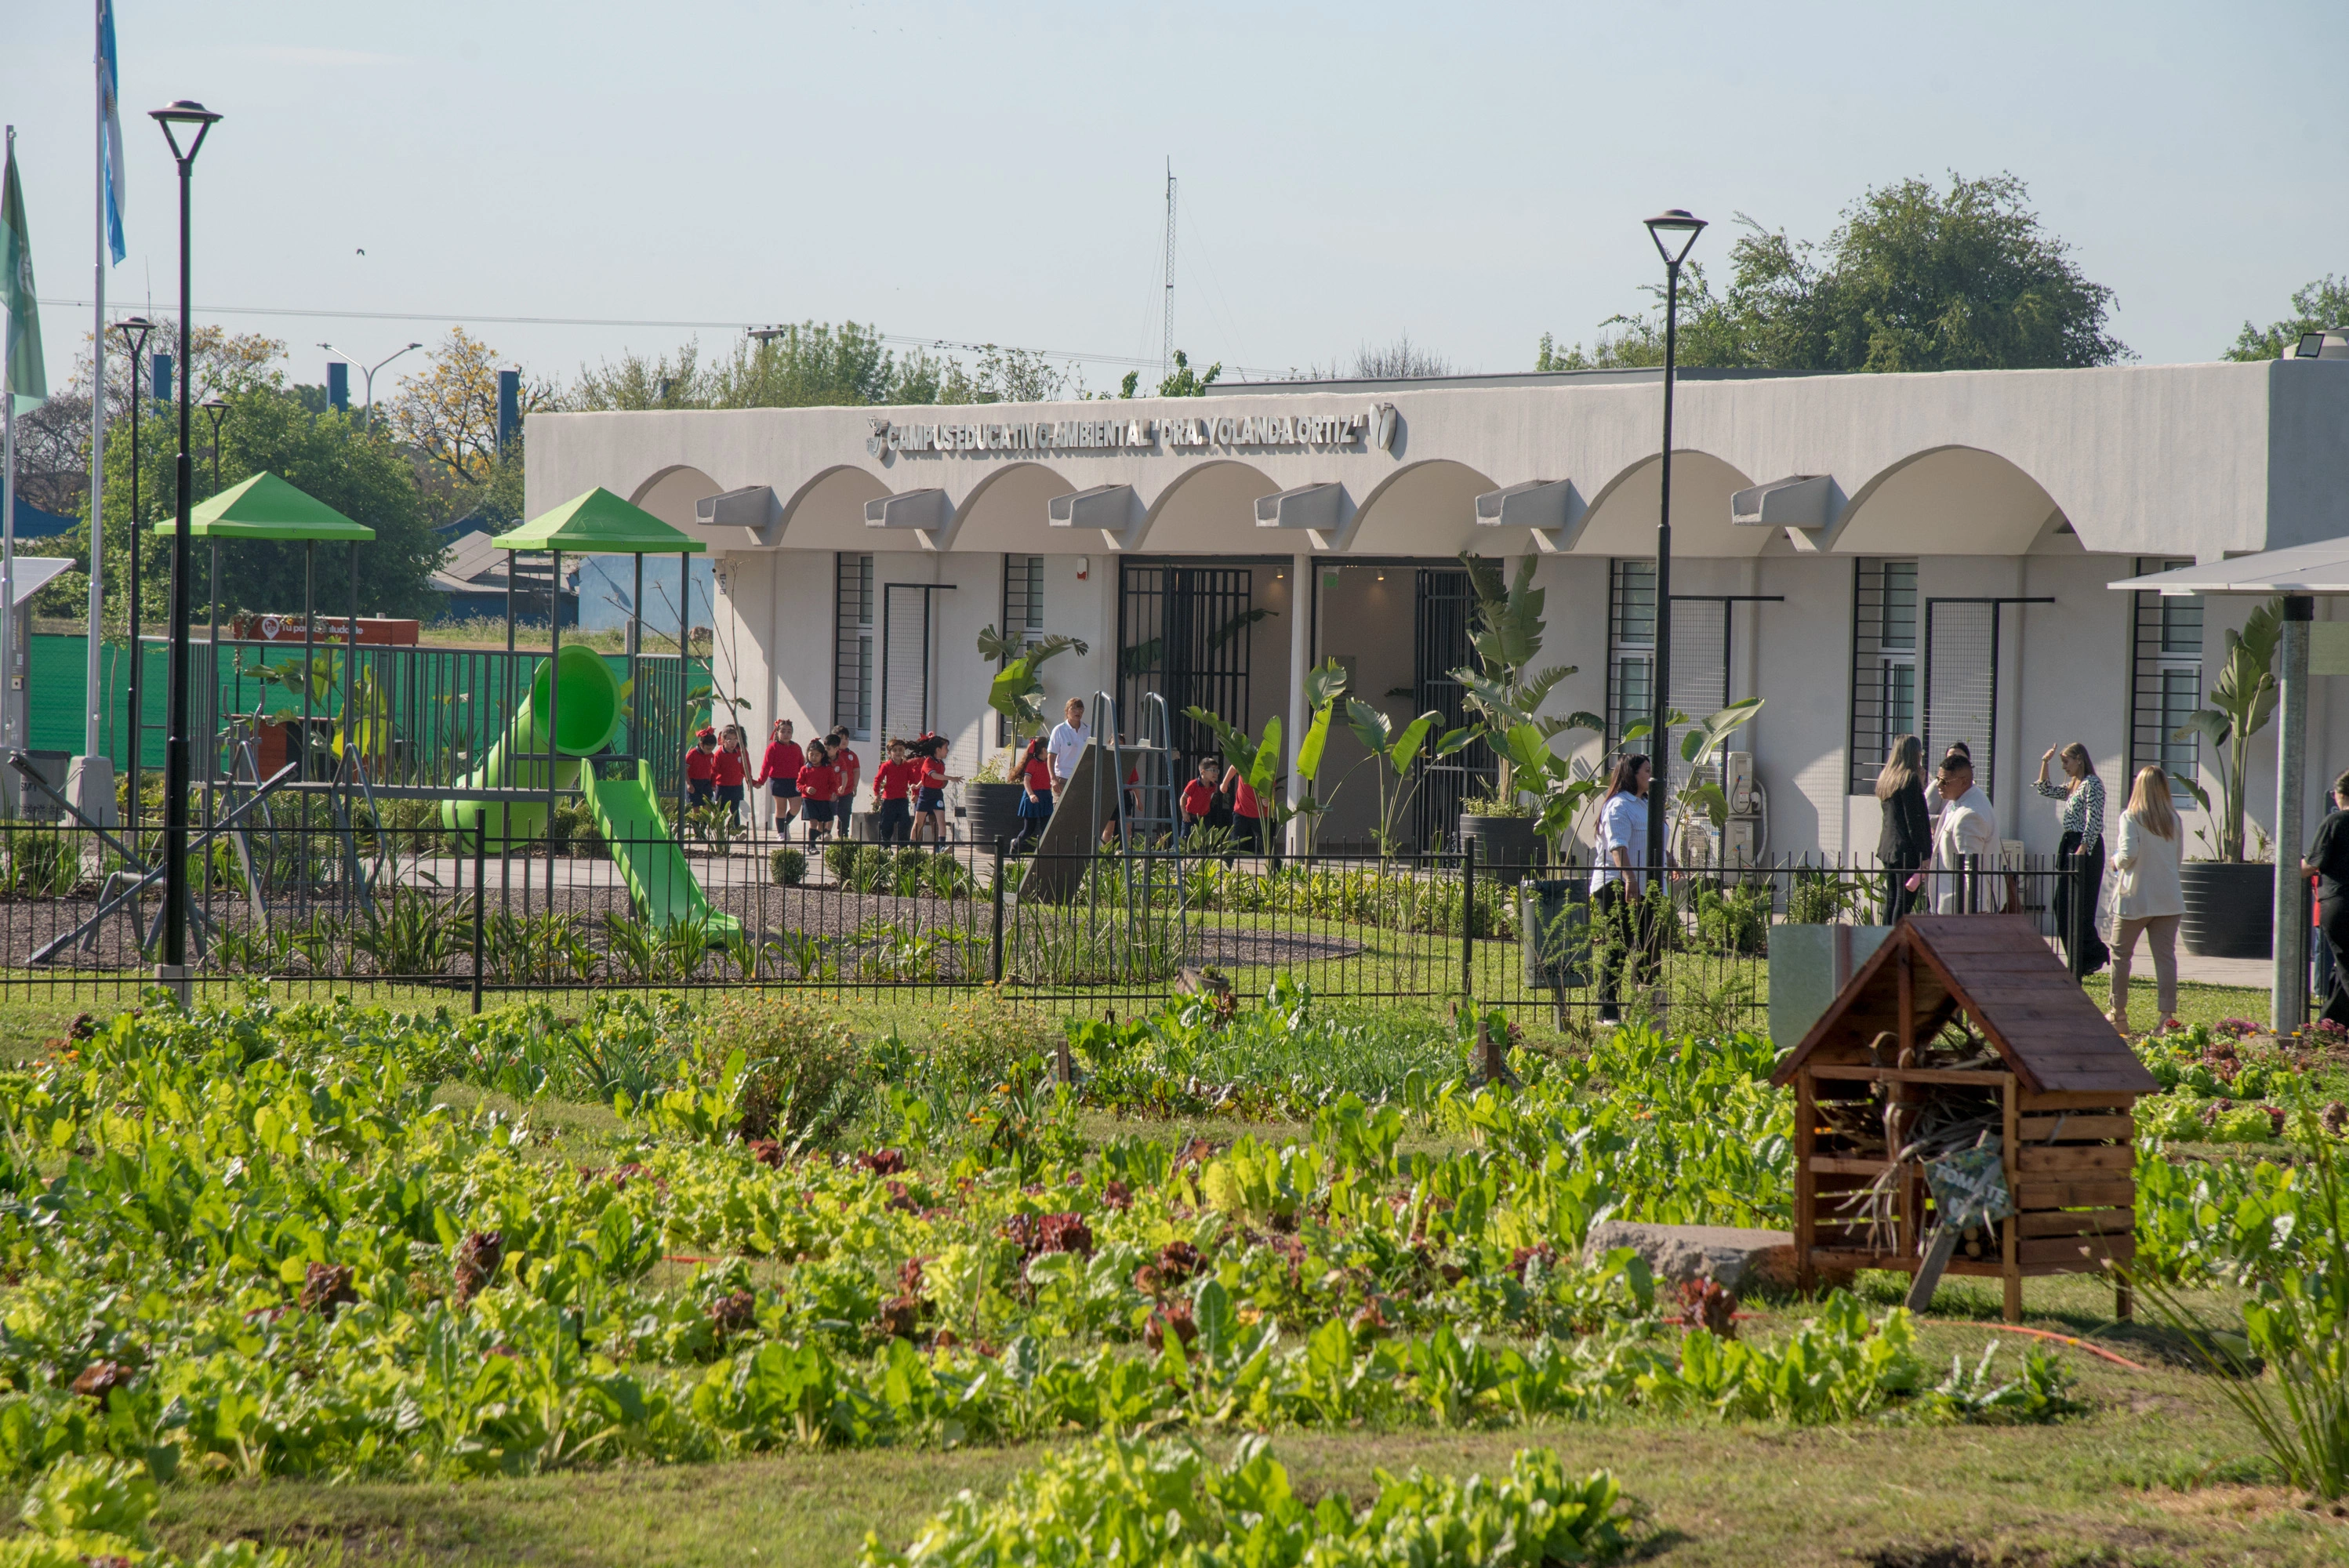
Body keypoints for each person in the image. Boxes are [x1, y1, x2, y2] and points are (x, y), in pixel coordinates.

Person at [2111, 765, 2186, 1035]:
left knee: (2121, 955)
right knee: (2165, 958)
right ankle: (2167, 1017)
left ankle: (2118, 1013)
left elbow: (2128, 853)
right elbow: (2176, 859)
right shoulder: (2174, 820)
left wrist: (2115, 861)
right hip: (2169, 899)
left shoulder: (2130, 816)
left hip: (2136, 898)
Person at [2037, 742, 2110, 975]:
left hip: (2085, 845)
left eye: (2066, 762)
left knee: (2081, 905)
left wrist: (2083, 847)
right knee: (2062, 904)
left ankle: (2091, 955)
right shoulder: (2073, 785)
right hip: (2069, 842)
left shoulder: (2093, 784)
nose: (2064, 767)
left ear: (2079, 759)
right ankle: (2079, 957)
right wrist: (2044, 763)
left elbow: (2094, 819)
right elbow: (2045, 790)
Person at [1921, 753, 2005, 912]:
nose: (1939, 785)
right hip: (1952, 905)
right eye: (1938, 779)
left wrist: (1978, 910)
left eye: (1945, 781)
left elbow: (1972, 867)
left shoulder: (1969, 814)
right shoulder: (1967, 798)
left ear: (1964, 781)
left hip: (1961, 909)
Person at [2300, 770, 2349, 1031]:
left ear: (2339, 794)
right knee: (2341, 970)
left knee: (2346, 968)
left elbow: (2310, 865)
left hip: (2339, 903)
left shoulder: (2335, 822)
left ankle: (2329, 1027)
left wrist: (2289, 870)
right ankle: (2330, 1027)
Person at [1875, 734, 1932, 924]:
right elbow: (1914, 821)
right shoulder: (1909, 780)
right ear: (1914, 754)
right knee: (1904, 900)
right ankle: (1895, 940)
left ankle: (1884, 939)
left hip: (1889, 848)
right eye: (1920, 753)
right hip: (1906, 850)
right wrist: (1925, 853)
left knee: (1891, 898)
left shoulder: (1888, 778)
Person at [757, 719, 804, 837]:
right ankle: (781, 833)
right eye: (783, 731)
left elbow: (802, 766)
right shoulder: (772, 747)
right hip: (778, 781)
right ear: (777, 732)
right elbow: (766, 766)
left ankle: (785, 824)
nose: (786, 734)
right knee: (781, 808)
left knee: (796, 807)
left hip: (793, 781)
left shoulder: (796, 747)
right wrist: (761, 781)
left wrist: (805, 781)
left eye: (789, 732)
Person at [910, 733, 957, 847]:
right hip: (926, 794)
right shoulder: (928, 762)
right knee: (919, 822)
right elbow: (933, 775)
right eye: (946, 748)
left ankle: (941, 846)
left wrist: (917, 785)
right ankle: (912, 846)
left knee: (941, 821)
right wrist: (951, 778)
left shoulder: (941, 764)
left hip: (937, 794)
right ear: (938, 749)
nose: (948, 750)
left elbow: (928, 778)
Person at [871, 738, 919, 844]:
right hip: (888, 800)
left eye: (901, 750)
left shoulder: (907, 766)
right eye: (895, 750)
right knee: (887, 823)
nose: (898, 752)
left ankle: (903, 846)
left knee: (905, 823)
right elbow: (877, 780)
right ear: (889, 752)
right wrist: (876, 794)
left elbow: (912, 781)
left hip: (902, 799)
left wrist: (915, 793)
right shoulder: (886, 766)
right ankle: (885, 845)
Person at [1012, 737, 1055, 852]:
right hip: (1033, 797)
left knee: (1046, 828)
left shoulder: (1049, 763)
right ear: (1044, 750)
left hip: (1046, 797)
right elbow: (1026, 781)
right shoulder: (1032, 763)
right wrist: (1031, 795)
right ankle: (1015, 845)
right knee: (1029, 829)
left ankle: (1042, 852)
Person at [1179, 756, 1233, 843]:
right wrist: (1184, 813)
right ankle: (1174, 855)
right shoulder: (1193, 784)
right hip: (1190, 816)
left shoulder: (1213, 786)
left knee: (1205, 841)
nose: (1216, 773)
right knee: (1184, 840)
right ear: (1203, 772)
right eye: (1213, 770)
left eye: (1217, 771)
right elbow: (1183, 798)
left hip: (1204, 817)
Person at [797, 739, 837, 848]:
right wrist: (806, 788)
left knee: (822, 824)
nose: (814, 757)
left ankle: (814, 838)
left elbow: (833, 783)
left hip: (823, 799)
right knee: (813, 822)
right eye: (811, 754)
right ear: (808, 754)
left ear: (822, 755)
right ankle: (812, 846)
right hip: (809, 800)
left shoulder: (828, 769)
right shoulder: (805, 769)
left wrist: (833, 793)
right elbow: (799, 784)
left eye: (817, 755)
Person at [1047, 697, 1091, 796]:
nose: (1078, 712)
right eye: (1074, 709)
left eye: (1080, 709)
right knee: (1061, 810)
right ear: (1067, 711)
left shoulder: (1089, 730)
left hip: (1083, 779)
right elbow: (1051, 756)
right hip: (1063, 779)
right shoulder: (1059, 730)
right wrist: (1053, 779)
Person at [1220, 761, 1265, 855]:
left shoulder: (1265, 770)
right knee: (1235, 840)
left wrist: (1268, 798)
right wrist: (1224, 783)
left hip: (1259, 812)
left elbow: (1272, 787)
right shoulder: (1245, 764)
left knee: (1264, 842)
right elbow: (1235, 765)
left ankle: (1277, 868)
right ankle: (1225, 867)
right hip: (1241, 810)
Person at [713, 725, 750, 826]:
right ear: (723, 740)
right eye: (729, 739)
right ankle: (718, 830)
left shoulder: (739, 752)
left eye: (735, 739)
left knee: (735, 809)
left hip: (736, 785)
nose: (733, 742)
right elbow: (714, 770)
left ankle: (736, 830)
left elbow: (745, 768)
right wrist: (712, 784)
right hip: (723, 786)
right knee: (721, 810)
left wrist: (748, 779)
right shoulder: (719, 754)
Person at [684, 728, 719, 810]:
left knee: (708, 806)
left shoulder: (711, 756)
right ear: (701, 744)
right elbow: (684, 770)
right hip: (694, 783)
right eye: (708, 749)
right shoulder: (692, 754)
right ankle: (695, 823)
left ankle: (705, 823)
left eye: (712, 749)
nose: (710, 751)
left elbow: (713, 771)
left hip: (706, 784)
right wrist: (689, 784)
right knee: (695, 808)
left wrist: (713, 784)